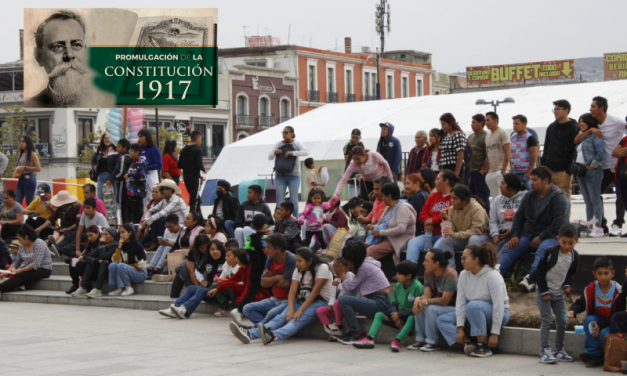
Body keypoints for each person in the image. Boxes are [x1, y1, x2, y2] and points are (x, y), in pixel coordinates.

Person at [232, 248, 332, 345]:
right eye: (296, 260)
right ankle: (251, 334)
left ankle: (273, 335)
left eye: (300, 261)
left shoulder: (322, 267)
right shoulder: (298, 270)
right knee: (280, 317)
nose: (297, 264)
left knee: (295, 321)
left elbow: (315, 292)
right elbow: (292, 292)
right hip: (302, 300)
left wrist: (299, 310)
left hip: (320, 302)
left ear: (309, 261)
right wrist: (291, 309)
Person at [436, 243, 510, 358]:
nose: (462, 261)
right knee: (442, 320)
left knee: (473, 306)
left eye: (464, 258)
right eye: (461, 258)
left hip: (498, 313)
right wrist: (460, 329)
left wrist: (495, 334)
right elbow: (460, 303)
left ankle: (483, 346)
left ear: (476, 260)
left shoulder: (493, 276)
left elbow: (498, 306)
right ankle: (469, 343)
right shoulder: (463, 275)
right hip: (473, 311)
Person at [500, 167, 570, 290]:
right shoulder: (529, 196)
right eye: (531, 180)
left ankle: (531, 278)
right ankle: (495, 275)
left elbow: (560, 223)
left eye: (535, 180)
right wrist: (515, 235)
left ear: (545, 180)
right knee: (511, 247)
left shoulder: (559, 197)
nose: (531, 182)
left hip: (552, 236)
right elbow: (518, 217)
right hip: (529, 235)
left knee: (543, 249)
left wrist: (541, 237)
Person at [578, 96, 627, 236]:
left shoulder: (615, 121)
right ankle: (602, 225)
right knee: (596, 196)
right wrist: (590, 131)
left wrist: (623, 151)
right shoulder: (592, 124)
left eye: (593, 106)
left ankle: (617, 224)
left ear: (601, 108)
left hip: (618, 166)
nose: (590, 109)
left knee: (621, 196)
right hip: (601, 168)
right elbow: (578, 139)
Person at [532, 224, 579, 364]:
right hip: (544, 290)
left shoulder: (575, 256)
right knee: (546, 320)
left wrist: (567, 286)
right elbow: (539, 272)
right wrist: (544, 290)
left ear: (576, 240)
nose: (567, 246)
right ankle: (544, 350)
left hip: (558, 292)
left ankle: (559, 349)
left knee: (562, 320)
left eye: (571, 243)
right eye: (564, 242)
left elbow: (570, 274)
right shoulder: (551, 252)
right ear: (558, 239)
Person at [353, 261, 423, 352]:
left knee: (412, 318)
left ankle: (397, 341)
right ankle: (370, 338)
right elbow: (393, 303)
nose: (396, 276)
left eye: (399, 274)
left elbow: (416, 308)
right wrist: (395, 315)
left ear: (408, 276)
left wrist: (399, 314)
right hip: (397, 314)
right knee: (379, 315)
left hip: (408, 314)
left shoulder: (418, 287)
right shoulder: (398, 285)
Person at [568, 257, 624, 368]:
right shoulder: (590, 289)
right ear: (594, 274)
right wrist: (573, 310)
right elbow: (581, 303)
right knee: (590, 322)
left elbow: (618, 315)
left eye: (606, 273)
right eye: (600, 274)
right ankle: (594, 354)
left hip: (611, 323)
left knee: (603, 334)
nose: (603, 277)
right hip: (597, 320)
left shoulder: (619, 291)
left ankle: (599, 356)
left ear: (612, 273)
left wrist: (601, 326)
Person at [335, 242, 393, 345]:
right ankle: (354, 330)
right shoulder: (366, 264)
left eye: (347, 259)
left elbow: (350, 288)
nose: (346, 261)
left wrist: (342, 276)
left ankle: (357, 332)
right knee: (345, 299)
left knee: (343, 300)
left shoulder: (363, 267)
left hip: (381, 302)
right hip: (379, 300)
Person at [240, 234, 296, 328]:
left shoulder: (291, 259)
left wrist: (271, 278)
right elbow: (263, 282)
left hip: (287, 301)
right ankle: (265, 328)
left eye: (269, 248)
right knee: (247, 308)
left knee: (271, 313)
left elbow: (286, 283)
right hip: (274, 299)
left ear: (278, 249)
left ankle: (254, 330)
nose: (266, 251)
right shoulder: (270, 259)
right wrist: (277, 277)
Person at [405, 170, 458, 264]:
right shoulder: (433, 196)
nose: (435, 182)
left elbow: (450, 215)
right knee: (413, 243)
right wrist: (427, 222)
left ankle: (431, 275)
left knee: (435, 249)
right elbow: (422, 214)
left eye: (438, 179)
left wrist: (432, 221)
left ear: (446, 182)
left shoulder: (454, 197)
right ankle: (410, 272)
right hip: (429, 233)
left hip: (445, 234)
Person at [410, 249, 458, 352]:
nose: (423, 263)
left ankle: (433, 342)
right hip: (439, 306)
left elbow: (445, 300)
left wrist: (426, 301)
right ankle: (420, 339)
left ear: (436, 263)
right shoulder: (428, 273)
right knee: (420, 304)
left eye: (427, 261)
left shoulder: (451, 274)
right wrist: (418, 299)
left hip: (453, 308)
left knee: (430, 308)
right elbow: (427, 296)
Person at [168, 238, 227, 318]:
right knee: (192, 287)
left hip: (221, 293)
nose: (215, 252)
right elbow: (197, 270)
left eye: (217, 249)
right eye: (212, 249)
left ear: (221, 250)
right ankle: (174, 307)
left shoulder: (226, 261)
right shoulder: (207, 260)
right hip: (210, 291)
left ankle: (185, 310)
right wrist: (202, 280)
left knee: (201, 290)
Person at [439, 185, 490, 270]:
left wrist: (455, 235)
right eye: (451, 198)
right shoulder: (452, 209)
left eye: (455, 199)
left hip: (482, 237)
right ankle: (451, 270)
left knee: (473, 239)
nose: (452, 201)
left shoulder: (476, 208)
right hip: (465, 237)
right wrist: (445, 219)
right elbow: (453, 229)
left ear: (464, 200)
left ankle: (472, 267)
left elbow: (477, 230)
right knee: (446, 240)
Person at [366, 183, 416, 264]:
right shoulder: (388, 207)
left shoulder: (403, 208)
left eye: (384, 196)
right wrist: (373, 227)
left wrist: (380, 233)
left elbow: (401, 228)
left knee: (370, 251)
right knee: (360, 247)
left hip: (397, 240)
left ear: (389, 196)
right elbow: (382, 224)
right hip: (386, 238)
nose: (382, 198)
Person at [541, 99, 579, 199]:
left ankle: (564, 215)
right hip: (549, 168)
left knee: (564, 197)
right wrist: (544, 165)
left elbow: (574, 150)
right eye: (554, 110)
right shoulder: (551, 127)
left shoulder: (574, 128)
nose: (555, 112)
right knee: (547, 197)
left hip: (564, 170)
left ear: (566, 111)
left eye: (558, 109)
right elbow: (546, 147)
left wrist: (568, 169)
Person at [269, 126, 309, 216]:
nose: (284, 134)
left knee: (294, 199)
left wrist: (292, 153)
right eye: (283, 132)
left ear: (292, 134)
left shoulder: (297, 143)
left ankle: (295, 219)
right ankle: (279, 220)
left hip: (293, 175)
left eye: (286, 132)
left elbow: (306, 152)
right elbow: (269, 156)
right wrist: (275, 152)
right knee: (279, 199)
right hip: (280, 175)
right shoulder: (278, 144)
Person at [575, 113, 605, 234]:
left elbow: (600, 154)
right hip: (580, 172)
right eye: (579, 121)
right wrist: (588, 131)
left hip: (592, 172)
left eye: (583, 121)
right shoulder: (583, 136)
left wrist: (591, 166)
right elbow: (575, 140)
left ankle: (599, 228)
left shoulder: (596, 136)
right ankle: (590, 226)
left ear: (590, 122)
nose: (580, 124)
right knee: (588, 201)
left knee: (595, 200)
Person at [0, 225, 52, 293]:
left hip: (43, 268)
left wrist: (21, 270)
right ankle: (19, 286)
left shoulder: (39, 243)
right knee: (19, 275)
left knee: (22, 275)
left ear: (26, 237)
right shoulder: (21, 246)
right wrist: (8, 271)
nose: (19, 241)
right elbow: (17, 261)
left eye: (20, 239)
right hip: (28, 268)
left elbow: (36, 264)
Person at [141, 179, 188, 248]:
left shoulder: (176, 200)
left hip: (180, 226)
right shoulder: (164, 200)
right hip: (170, 225)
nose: (161, 191)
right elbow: (150, 211)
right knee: (152, 217)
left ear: (170, 190)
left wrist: (148, 222)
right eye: (160, 189)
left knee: (158, 218)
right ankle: (150, 243)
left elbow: (162, 213)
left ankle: (155, 243)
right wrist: (146, 220)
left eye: (162, 189)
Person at [316, 257, 355, 336]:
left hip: (349, 306)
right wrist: (330, 304)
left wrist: (339, 285)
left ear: (347, 267)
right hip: (337, 307)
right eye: (334, 266)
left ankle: (338, 325)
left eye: (338, 266)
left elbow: (349, 291)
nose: (335, 269)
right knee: (320, 310)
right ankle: (332, 330)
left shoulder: (349, 275)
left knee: (338, 301)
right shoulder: (336, 280)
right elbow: (333, 295)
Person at [489, 173, 526, 252]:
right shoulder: (497, 199)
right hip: (500, 236)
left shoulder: (525, 198)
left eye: (503, 183)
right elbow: (493, 220)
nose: (500, 186)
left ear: (511, 186)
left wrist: (512, 231)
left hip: (517, 235)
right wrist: (495, 234)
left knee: (500, 251)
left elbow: (526, 220)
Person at [108, 224, 147, 297]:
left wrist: (127, 265)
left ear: (130, 233)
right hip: (127, 269)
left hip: (140, 273)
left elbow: (142, 265)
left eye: (123, 232)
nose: (121, 235)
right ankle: (120, 288)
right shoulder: (122, 245)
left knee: (121, 265)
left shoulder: (137, 245)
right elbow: (115, 260)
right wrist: (119, 247)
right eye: (120, 233)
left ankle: (129, 287)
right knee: (112, 265)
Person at [79, 227, 118, 298]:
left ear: (112, 237)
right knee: (91, 262)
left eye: (106, 234)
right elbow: (88, 256)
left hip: (110, 272)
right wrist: (96, 260)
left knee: (104, 262)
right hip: (100, 270)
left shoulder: (115, 246)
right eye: (103, 234)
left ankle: (97, 288)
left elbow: (104, 256)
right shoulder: (101, 245)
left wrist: (102, 244)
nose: (103, 236)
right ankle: (83, 287)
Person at [68, 225, 103, 296]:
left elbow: (95, 256)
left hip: (97, 266)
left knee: (83, 263)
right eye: (88, 236)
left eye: (91, 235)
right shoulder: (89, 244)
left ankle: (85, 285)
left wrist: (85, 257)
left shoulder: (101, 243)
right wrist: (82, 256)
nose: (89, 238)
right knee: (72, 262)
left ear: (98, 233)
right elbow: (86, 253)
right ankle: (76, 284)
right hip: (90, 263)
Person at [45, 191, 81, 258]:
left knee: (64, 235)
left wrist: (68, 229)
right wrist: (40, 228)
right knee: (57, 231)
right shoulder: (61, 207)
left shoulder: (77, 207)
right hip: (63, 227)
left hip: (72, 228)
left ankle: (55, 245)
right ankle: (53, 239)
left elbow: (77, 223)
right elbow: (53, 218)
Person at [178, 131, 207, 213]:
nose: (200, 142)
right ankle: (193, 215)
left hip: (186, 176)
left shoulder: (183, 150)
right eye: (200, 139)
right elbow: (199, 164)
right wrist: (204, 170)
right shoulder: (198, 150)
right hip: (195, 176)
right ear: (198, 139)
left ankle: (199, 215)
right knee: (195, 199)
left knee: (193, 196)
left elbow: (179, 164)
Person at [484, 112, 511, 198]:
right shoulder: (487, 137)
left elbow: (508, 150)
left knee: (504, 196)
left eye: (488, 120)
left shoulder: (502, 132)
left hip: (500, 170)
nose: (486, 123)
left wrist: (504, 169)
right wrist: (487, 171)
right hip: (491, 172)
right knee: (496, 198)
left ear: (495, 120)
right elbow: (488, 154)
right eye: (485, 120)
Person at [510, 115, 539, 191]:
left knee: (529, 193)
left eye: (517, 124)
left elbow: (534, 155)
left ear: (524, 124)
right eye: (513, 124)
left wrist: (529, 172)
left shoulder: (530, 138)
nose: (514, 126)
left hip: (525, 172)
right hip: (514, 173)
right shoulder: (512, 137)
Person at [467, 114, 490, 211]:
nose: (471, 125)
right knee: (472, 198)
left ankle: (486, 218)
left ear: (481, 123)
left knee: (482, 198)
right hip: (470, 173)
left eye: (474, 122)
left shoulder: (486, 136)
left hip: (479, 173)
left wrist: (483, 169)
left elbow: (488, 154)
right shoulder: (471, 137)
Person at [404, 169, 435, 236]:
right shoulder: (422, 194)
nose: (405, 187)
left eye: (408, 183)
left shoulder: (419, 197)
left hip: (418, 232)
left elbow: (407, 216)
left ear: (417, 184)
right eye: (405, 184)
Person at [137, 129, 162, 207]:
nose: (139, 139)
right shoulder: (139, 149)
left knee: (151, 198)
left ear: (146, 137)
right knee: (142, 200)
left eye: (141, 137)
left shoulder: (154, 149)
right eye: (138, 137)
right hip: (140, 178)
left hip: (151, 177)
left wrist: (146, 167)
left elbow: (159, 165)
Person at [15, 135, 42, 206]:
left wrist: (25, 167)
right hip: (21, 178)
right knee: (17, 200)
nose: (21, 143)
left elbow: (38, 168)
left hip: (29, 178)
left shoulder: (33, 154)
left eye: (23, 142)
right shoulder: (22, 154)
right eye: (20, 141)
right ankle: (18, 216)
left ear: (28, 143)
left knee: (29, 201)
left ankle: (30, 217)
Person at [438, 113, 467, 178]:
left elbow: (460, 155)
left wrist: (456, 173)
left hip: (454, 166)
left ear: (450, 123)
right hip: (445, 167)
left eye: (444, 124)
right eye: (441, 124)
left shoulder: (458, 134)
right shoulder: (446, 136)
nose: (442, 127)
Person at [126, 143, 148, 223]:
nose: (130, 153)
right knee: (132, 213)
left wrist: (129, 175)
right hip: (132, 192)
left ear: (137, 152)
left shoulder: (141, 162)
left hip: (137, 192)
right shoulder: (134, 162)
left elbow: (142, 176)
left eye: (131, 151)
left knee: (137, 213)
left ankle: (138, 227)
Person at [91, 133, 117, 201]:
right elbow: (93, 160)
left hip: (112, 178)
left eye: (109, 138)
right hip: (100, 177)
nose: (107, 140)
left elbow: (117, 166)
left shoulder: (115, 150)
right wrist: (94, 166)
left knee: (112, 201)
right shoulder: (99, 149)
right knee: (100, 199)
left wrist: (111, 179)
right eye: (105, 138)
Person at [113, 139, 132, 224]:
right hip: (129, 185)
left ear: (125, 148)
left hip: (122, 184)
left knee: (122, 204)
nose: (117, 148)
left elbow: (121, 172)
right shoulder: (131, 157)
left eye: (119, 146)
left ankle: (124, 223)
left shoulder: (123, 157)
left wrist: (115, 177)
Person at [343, 129, 365, 198]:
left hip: (360, 169)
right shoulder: (348, 145)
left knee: (360, 188)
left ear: (360, 138)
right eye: (353, 137)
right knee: (352, 187)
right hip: (352, 169)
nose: (354, 139)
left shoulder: (361, 144)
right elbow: (346, 160)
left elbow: (364, 156)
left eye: (356, 138)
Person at [614, 126, 627, 217]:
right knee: (625, 201)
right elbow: (614, 153)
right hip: (622, 174)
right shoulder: (624, 139)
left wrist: (621, 151)